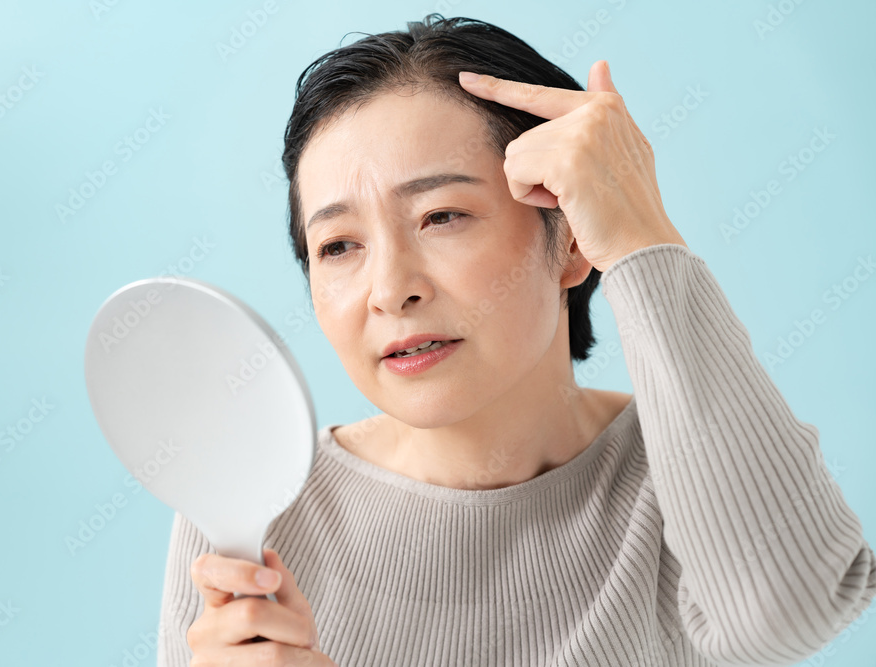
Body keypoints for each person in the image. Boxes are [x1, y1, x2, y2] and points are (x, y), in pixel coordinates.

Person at [157, 14, 876, 666]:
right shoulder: (250, 511)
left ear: (570, 238)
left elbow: (790, 613)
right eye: (339, 245)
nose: (390, 289)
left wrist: (640, 234)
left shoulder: (688, 476)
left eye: (441, 216)